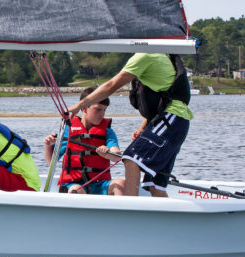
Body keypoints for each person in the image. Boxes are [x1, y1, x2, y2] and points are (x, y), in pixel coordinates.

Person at [66, 53, 192, 197]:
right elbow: (160, 100)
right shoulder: (159, 54)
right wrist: (143, 128)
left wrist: (80, 104)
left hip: (172, 118)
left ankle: (131, 209)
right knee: (154, 185)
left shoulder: (145, 55)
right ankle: (169, 219)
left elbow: (112, 85)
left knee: (131, 159)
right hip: (175, 120)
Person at [44, 87, 124, 195]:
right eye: (98, 109)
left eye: (104, 110)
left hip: (100, 184)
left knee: (120, 183)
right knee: (77, 189)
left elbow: (117, 156)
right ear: (84, 109)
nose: (102, 114)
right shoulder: (68, 131)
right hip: (73, 184)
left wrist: (108, 154)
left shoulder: (108, 132)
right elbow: (50, 162)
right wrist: (48, 145)